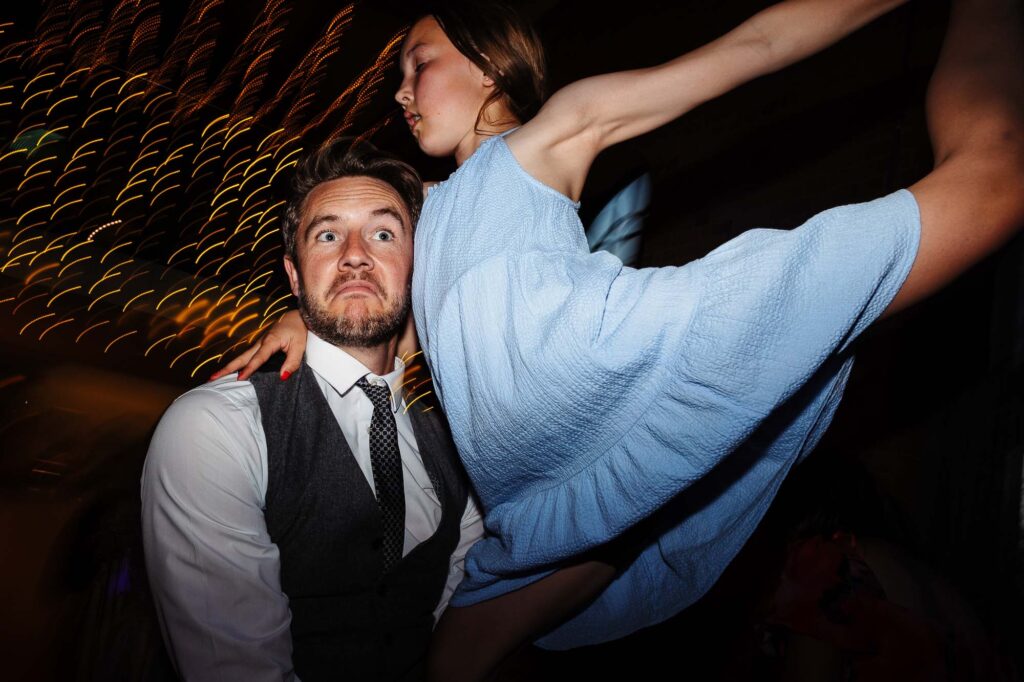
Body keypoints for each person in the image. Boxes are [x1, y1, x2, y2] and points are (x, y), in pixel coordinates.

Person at [216, 0, 1024, 676]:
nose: (399, 90)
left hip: (615, 355)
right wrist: (299, 315)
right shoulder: (422, 216)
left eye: (417, 62)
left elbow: (757, 45)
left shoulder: (547, 137)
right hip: (543, 485)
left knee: (993, 183)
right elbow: (370, 293)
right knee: (451, 663)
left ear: (489, 64)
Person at [142, 143, 485, 681]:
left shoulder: (459, 437)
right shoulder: (217, 429)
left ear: (418, 267)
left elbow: (460, 620)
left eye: (383, 234)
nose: (354, 254)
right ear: (295, 276)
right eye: (327, 234)